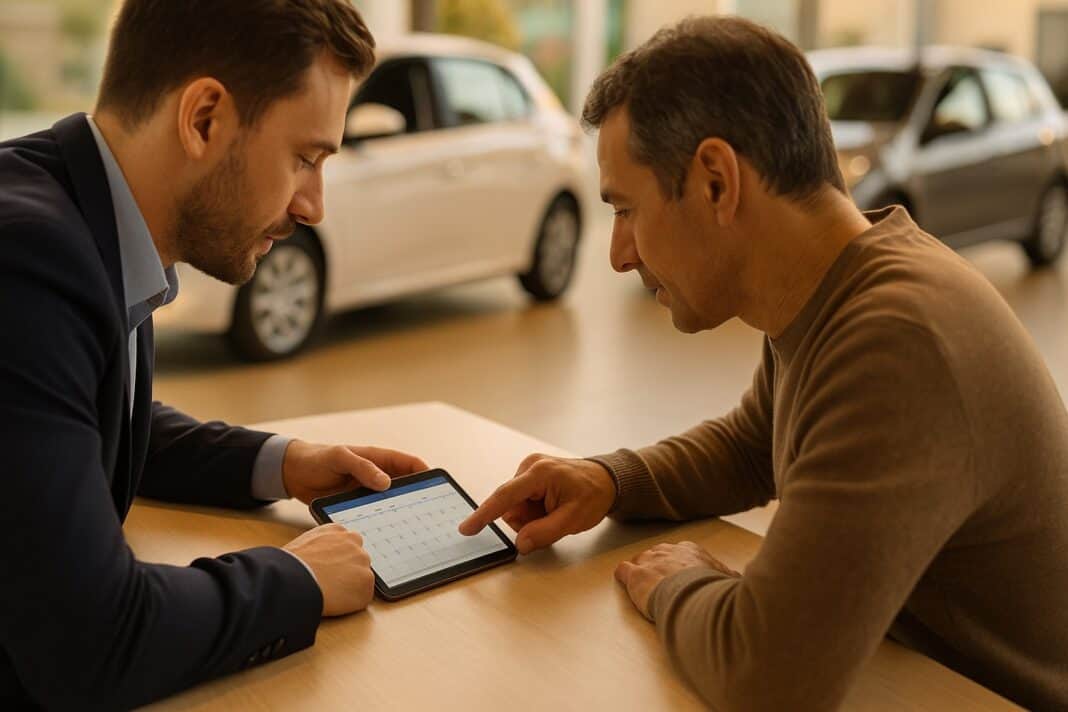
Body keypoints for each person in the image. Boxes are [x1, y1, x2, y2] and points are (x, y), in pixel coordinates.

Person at [460, 16, 1068, 711]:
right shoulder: (842, 286)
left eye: (627, 210)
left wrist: (677, 583)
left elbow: (768, 679)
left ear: (717, 181)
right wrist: (609, 480)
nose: (619, 254)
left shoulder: (898, 340)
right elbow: (756, 446)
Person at [0, 1, 430, 708]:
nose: (312, 205)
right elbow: (94, 639)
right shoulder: (26, 264)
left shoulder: (72, 208)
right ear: (204, 119)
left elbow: (74, 417)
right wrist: (297, 580)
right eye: (305, 158)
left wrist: (283, 464)